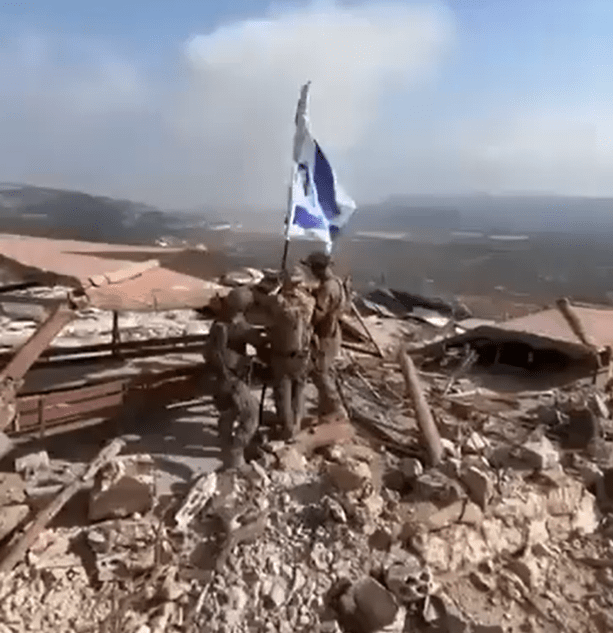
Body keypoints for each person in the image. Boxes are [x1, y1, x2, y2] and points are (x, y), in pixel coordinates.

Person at [253, 269, 315, 440]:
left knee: (283, 392)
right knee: (299, 390)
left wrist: (271, 285)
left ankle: (287, 430)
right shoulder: (308, 301)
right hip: (303, 355)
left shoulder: (277, 302)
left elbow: (258, 299)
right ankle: (297, 423)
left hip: (282, 356)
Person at [205, 287, 263, 469]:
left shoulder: (219, 324)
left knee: (228, 411)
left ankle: (224, 441)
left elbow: (209, 352)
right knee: (251, 414)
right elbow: (253, 337)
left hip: (220, 378)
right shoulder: (236, 324)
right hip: (231, 378)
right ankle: (236, 453)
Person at [301, 251, 347, 417]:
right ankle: (325, 407)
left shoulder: (327, 287)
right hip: (334, 333)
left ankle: (336, 409)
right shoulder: (337, 282)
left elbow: (318, 315)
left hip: (326, 335)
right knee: (326, 370)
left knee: (321, 373)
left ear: (317, 269)